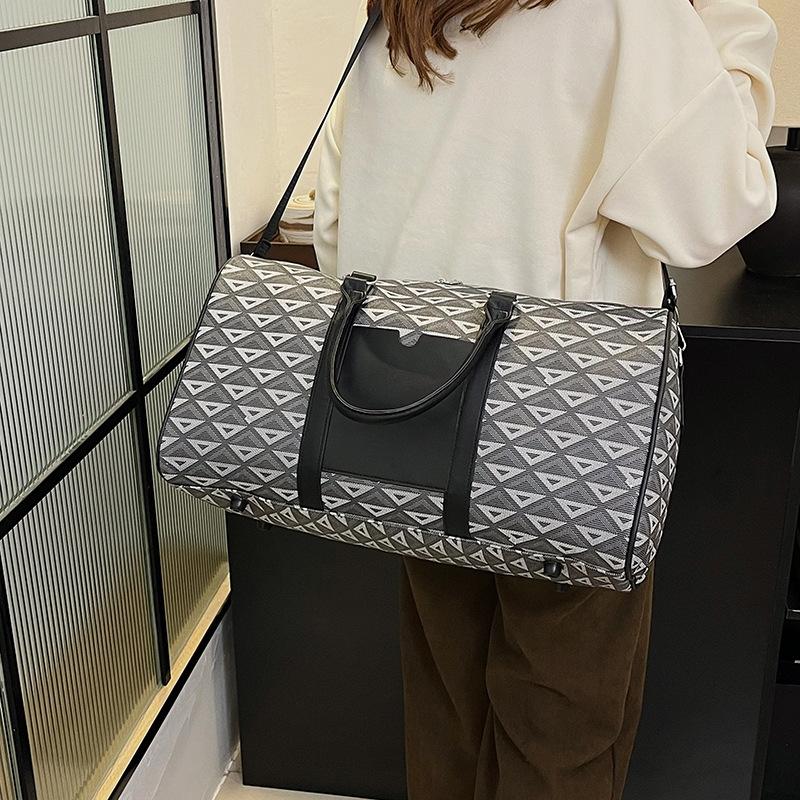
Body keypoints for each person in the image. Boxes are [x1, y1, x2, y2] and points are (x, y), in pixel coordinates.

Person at [313, 0, 777, 798]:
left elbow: (333, 229)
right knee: (561, 715)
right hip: (561, 430)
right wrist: (731, 23)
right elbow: (715, 210)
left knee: (446, 702)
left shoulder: (398, 16)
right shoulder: (626, 12)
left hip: (410, 418)